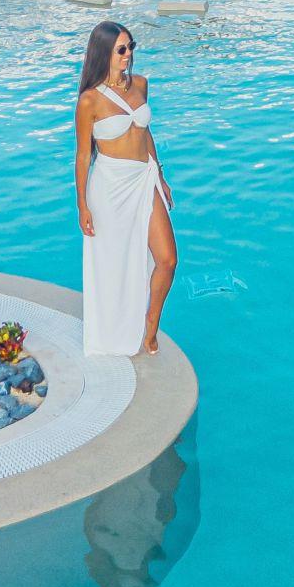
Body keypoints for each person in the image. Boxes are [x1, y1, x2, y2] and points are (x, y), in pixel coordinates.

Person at [75, 20, 176, 357]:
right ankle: (115, 329)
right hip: (110, 185)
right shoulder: (90, 101)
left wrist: (159, 174)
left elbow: (145, 133)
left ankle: (150, 326)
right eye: (121, 49)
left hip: (144, 177)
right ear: (104, 52)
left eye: (131, 46)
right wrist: (82, 206)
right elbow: (83, 155)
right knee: (114, 263)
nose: (128, 54)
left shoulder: (141, 84)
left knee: (168, 260)